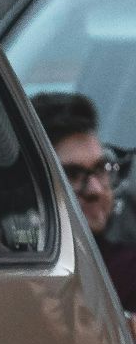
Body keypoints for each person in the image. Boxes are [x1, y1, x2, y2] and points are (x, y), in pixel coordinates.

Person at [33, 91, 136, 309]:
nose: (95, 190)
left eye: (100, 168)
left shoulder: (127, 272)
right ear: (33, 182)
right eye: (72, 175)